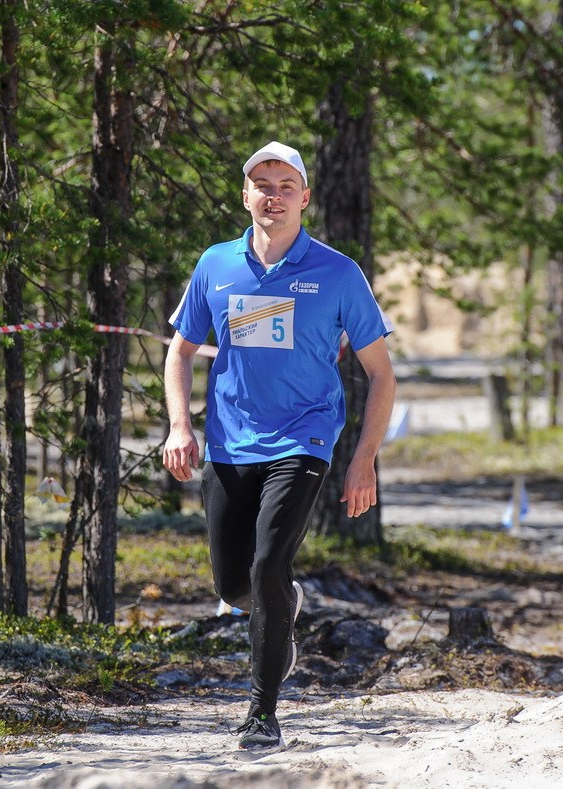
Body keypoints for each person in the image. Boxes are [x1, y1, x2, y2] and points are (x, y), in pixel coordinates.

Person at [162, 141, 396, 749]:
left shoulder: (338, 273)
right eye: (262, 184)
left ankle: (261, 712)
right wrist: (180, 427)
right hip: (229, 442)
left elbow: (382, 373)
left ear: (305, 197)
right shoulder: (217, 264)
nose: (273, 194)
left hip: (305, 437)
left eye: (285, 184)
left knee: (269, 562)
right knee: (233, 587)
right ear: (245, 195)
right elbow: (179, 353)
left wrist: (363, 459)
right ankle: (281, 604)